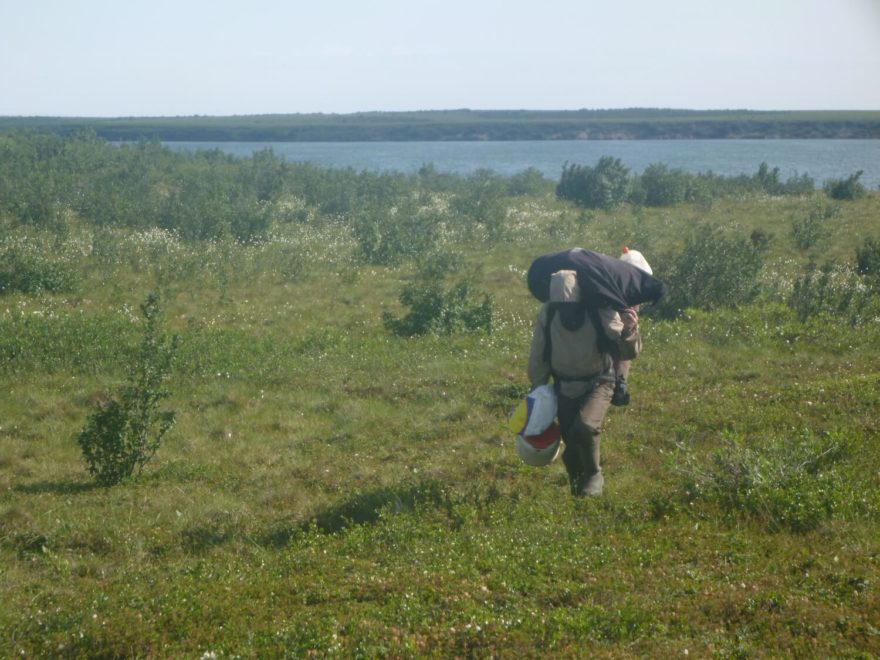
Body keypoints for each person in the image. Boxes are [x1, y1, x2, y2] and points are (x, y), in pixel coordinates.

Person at [527, 269, 640, 497]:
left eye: (569, 306)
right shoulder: (549, 314)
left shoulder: (599, 311)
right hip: (563, 386)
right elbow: (539, 353)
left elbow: (627, 350)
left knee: (586, 427)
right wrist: (537, 391)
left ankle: (594, 474)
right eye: (560, 306)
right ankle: (578, 492)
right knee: (572, 443)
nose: (565, 311)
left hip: (598, 381)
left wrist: (630, 329)